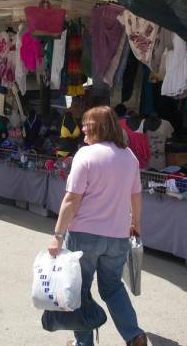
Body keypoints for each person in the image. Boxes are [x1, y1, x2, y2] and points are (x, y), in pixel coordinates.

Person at [47, 106, 148, 346]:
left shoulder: (86, 155)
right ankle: (134, 335)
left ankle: (84, 343)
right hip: (118, 236)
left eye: (87, 124)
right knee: (113, 288)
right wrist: (136, 224)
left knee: (79, 291)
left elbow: (72, 199)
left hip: (84, 236)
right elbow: (136, 195)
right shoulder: (129, 157)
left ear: (99, 127)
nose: (82, 128)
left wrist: (58, 236)